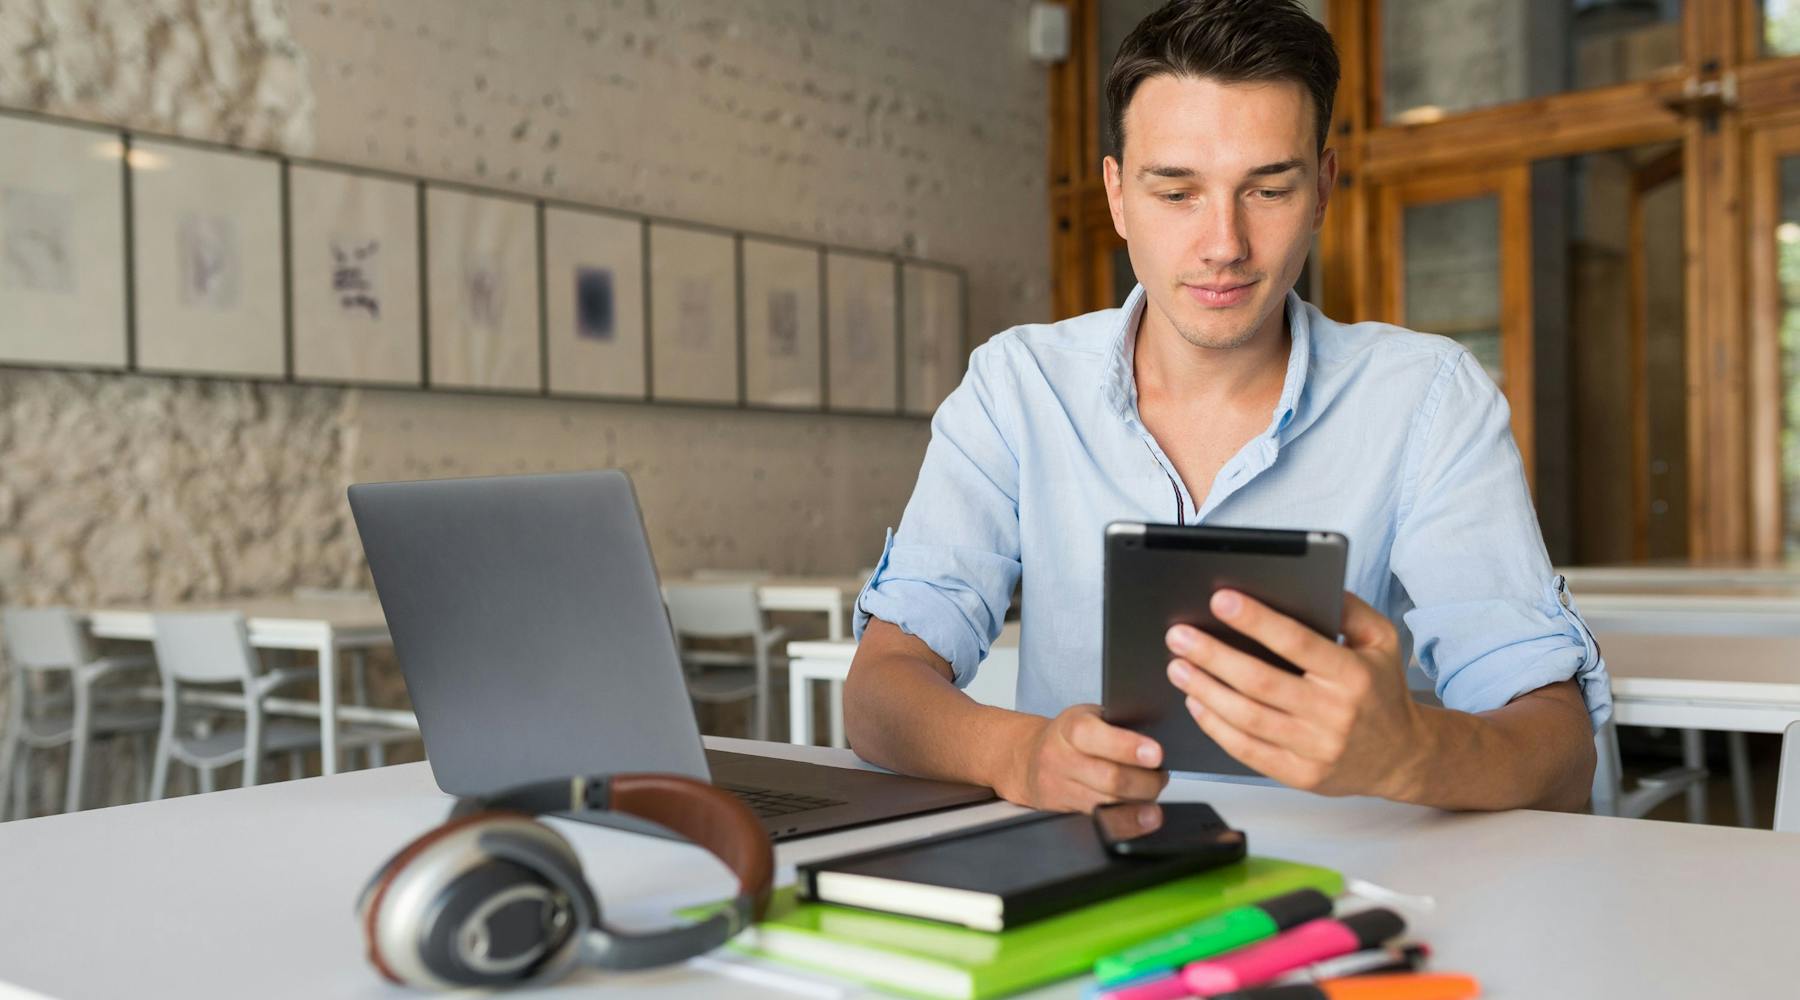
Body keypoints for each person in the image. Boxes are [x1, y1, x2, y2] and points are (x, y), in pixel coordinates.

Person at [843, 0, 1608, 814]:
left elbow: (1560, 749)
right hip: (1083, 875)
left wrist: (1414, 755)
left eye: (1268, 189)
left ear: (1322, 189)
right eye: (1176, 193)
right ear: (1116, 195)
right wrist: (1017, 753)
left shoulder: (1427, 399)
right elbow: (878, 691)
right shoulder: (1016, 386)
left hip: (1354, 892)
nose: (1224, 244)